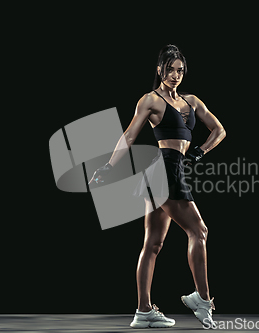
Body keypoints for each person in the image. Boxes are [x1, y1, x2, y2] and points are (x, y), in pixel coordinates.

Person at [89, 45, 226, 328]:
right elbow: (129, 136)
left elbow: (219, 130)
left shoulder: (192, 102)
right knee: (199, 230)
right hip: (163, 169)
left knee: (153, 244)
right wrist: (109, 167)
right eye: (170, 70)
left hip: (166, 170)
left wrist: (199, 151)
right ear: (160, 70)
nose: (176, 75)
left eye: (180, 70)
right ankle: (202, 298)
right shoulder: (150, 100)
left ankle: (143, 311)